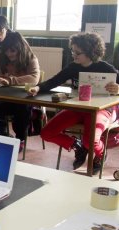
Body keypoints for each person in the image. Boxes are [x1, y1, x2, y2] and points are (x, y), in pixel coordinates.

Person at [28, 32, 119, 175]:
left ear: (90, 52)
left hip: (101, 110)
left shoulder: (106, 68)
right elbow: (54, 81)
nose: (73, 55)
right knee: (46, 132)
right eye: (72, 51)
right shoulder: (73, 67)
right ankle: (77, 146)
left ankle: (101, 155)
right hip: (79, 108)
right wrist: (38, 87)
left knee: (90, 141)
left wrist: (117, 88)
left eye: (78, 52)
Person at [0, 32, 40, 151]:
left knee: (23, 108)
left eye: (12, 51)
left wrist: (10, 80)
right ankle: (1, 134)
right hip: (4, 98)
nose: (9, 54)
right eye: (7, 51)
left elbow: (34, 78)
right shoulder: (1, 55)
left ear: (20, 49)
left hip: (21, 99)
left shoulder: (30, 57)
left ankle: (20, 139)